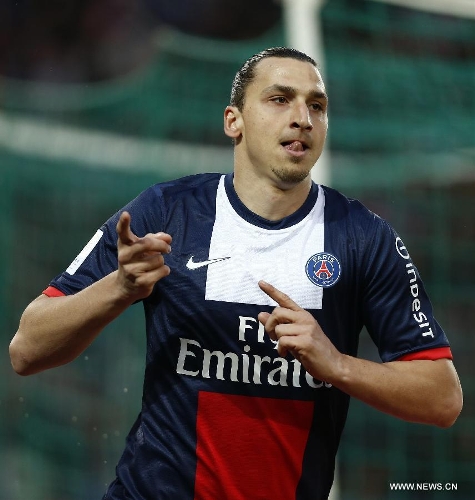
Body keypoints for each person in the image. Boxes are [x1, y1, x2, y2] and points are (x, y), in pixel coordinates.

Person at [10, 47, 462, 500]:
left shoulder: (364, 238)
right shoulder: (167, 212)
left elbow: (443, 398)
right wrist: (120, 286)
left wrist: (337, 364)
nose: (303, 117)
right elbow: (27, 349)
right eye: (280, 99)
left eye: (317, 105)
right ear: (234, 121)